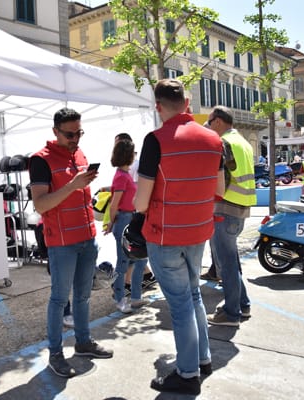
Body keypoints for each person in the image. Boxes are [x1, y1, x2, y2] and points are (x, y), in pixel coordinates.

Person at [133, 79, 224, 395]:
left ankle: (187, 374)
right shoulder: (214, 139)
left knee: (181, 304)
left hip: (165, 235)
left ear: (158, 106)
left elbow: (141, 202)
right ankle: (202, 359)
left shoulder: (156, 140)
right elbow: (220, 189)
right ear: (187, 103)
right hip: (198, 231)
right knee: (194, 295)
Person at [29, 107, 113, 378]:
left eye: (79, 133)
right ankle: (56, 353)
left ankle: (83, 342)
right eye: (69, 134)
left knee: (84, 296)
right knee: (59, 299)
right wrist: (73, 185)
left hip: (86, 238)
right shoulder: (40, 160)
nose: (75, 139)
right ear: (55, 131)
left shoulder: (79, 154)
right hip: (62, 243)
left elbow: (80, 195)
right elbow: (41, 205)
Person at [205, 106, 255, 327]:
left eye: (209, 122)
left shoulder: (223, 143)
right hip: (241, 207)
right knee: (231, 262)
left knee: (226, 265)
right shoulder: (243, 142)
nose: (208, 127)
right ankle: (242, 305)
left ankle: (231, 313)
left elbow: (220, 179)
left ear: (217, 121)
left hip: (225, 208)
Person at [103, 139, 149, 312]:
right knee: (124, 262)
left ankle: (135, 296)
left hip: (130, 218)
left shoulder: (124, 174)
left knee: (140, 258)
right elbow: (115, 204)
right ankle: (120, 298)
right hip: (124, 219)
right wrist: (111, 222)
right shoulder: (122, 177)